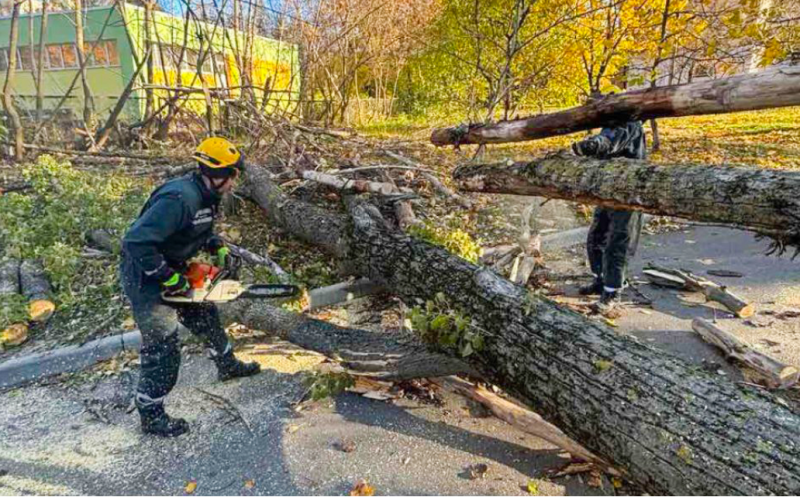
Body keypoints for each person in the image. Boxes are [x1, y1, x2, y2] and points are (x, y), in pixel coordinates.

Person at [121, 137, 261, 437]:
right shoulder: (179, 199)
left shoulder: (208, 194)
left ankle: (227, 364)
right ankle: (151, 412)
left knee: (205, 314)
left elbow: (198, 228)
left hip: (174, 266)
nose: (235, 180)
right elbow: (135, 242)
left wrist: (216, 245)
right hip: (146, 277)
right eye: (232, 174)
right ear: (217, 173)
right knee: (163, 344)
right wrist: (167, 278)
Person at [571, 120, 647, 315]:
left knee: (617, 242)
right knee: (597, 235)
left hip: (628, 193)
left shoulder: (631, 125)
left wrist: (592, 145)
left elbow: (611, 142)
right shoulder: (611, 123)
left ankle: (612, 291)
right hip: (608, 189)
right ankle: (600, 279)